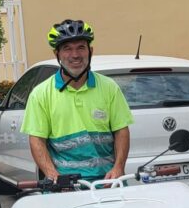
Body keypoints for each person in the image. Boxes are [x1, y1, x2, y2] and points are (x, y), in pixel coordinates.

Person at [22, 19, 133, 182]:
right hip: (65, 184)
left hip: (108, 181)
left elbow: (121, 131)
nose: (75, 55)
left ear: (91, 51)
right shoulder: (41, 94)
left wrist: (118, 168)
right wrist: (53, 175)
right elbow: (37, 139)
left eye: (81, 47)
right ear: (56, 54)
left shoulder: (110, 88)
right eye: (67, 48)